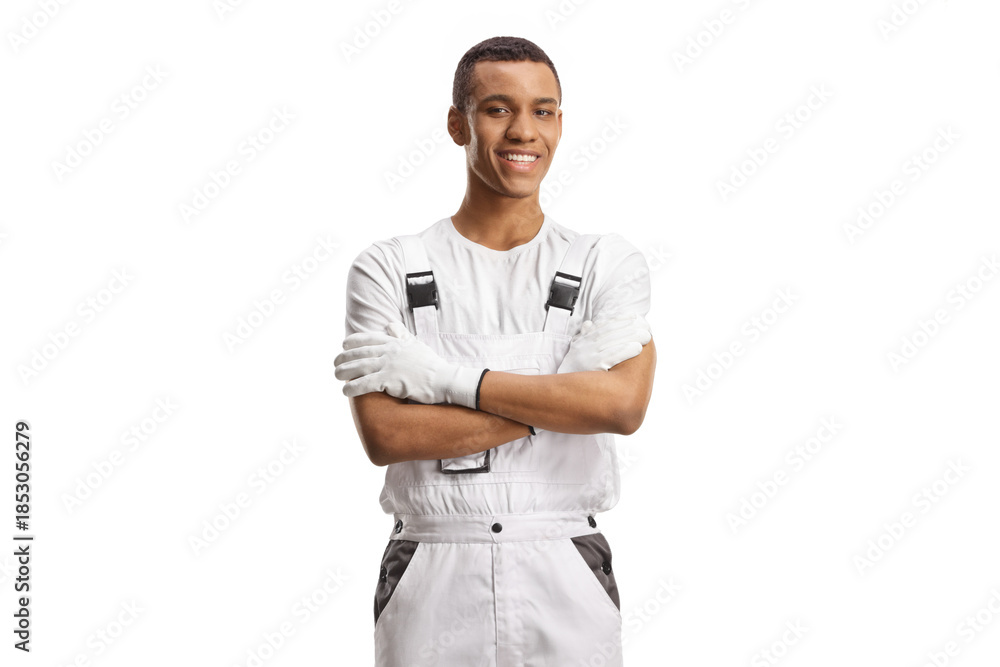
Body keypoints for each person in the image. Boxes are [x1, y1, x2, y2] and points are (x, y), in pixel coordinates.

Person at [334, 35, 656, 667]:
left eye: (543, 110)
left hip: (564, 564)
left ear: (560, 124)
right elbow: (387, 435)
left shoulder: (605, 263)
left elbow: (620, 407)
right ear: (458, 125)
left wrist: (442, 379)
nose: (523, 131)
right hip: (431, 568)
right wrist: (562, 396)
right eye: (497, 108)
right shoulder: (388, 268)